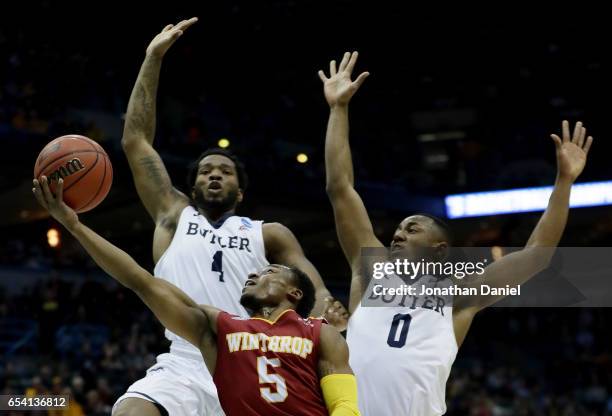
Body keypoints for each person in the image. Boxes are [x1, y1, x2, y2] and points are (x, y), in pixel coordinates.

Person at [319, 51, 594, 415]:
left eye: (411, 229)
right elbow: (341, 188)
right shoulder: (369, 270)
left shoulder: (460, 295)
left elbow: (538, 254)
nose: (397, 235)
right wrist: (338, 109)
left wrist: (564, 181)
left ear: (438, 249)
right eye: (398, 229)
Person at [118, 18, 347, 415]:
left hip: (251, 358)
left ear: (240, 192)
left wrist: (327, 307)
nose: (214, 174)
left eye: (224, 171)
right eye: (206, 170)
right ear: (192, 187)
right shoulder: (174, 215)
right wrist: (152, 58)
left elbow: (310, 284)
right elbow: (135, 141)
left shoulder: (269, 233)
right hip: (187, 359)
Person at [32, 177, 360, 416]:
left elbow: (344, 404)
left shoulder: (320, 333)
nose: (253, 274)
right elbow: (140, 281)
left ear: (295, 292)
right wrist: (75, 226)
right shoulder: (222, 328)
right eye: (255, 272)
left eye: (267, 272)